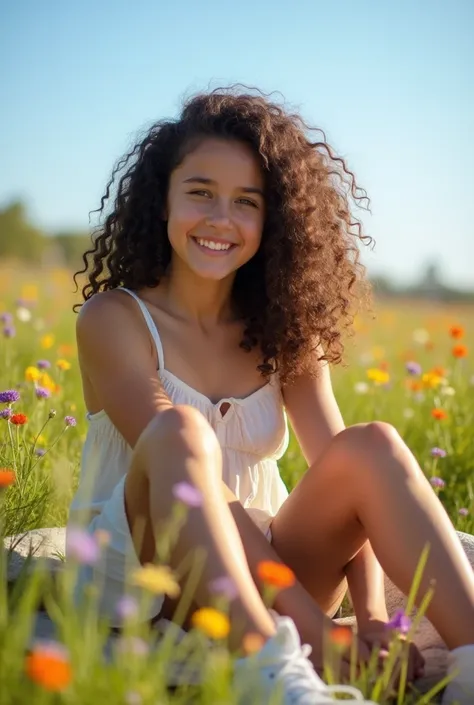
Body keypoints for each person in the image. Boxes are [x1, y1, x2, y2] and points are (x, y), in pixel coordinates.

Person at [68, 87, 474, 704]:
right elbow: (192, 492)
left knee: (372, 446)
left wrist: (367, 619)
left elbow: (351, 490)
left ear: (272, 219)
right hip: (148, 576)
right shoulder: (114, 319)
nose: (220, 219)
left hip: (277, 576)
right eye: (200, 192)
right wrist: (320, 641)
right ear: (162, 200)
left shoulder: (286, 334)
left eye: (246, 202)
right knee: (179, 432)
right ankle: (281, 670)